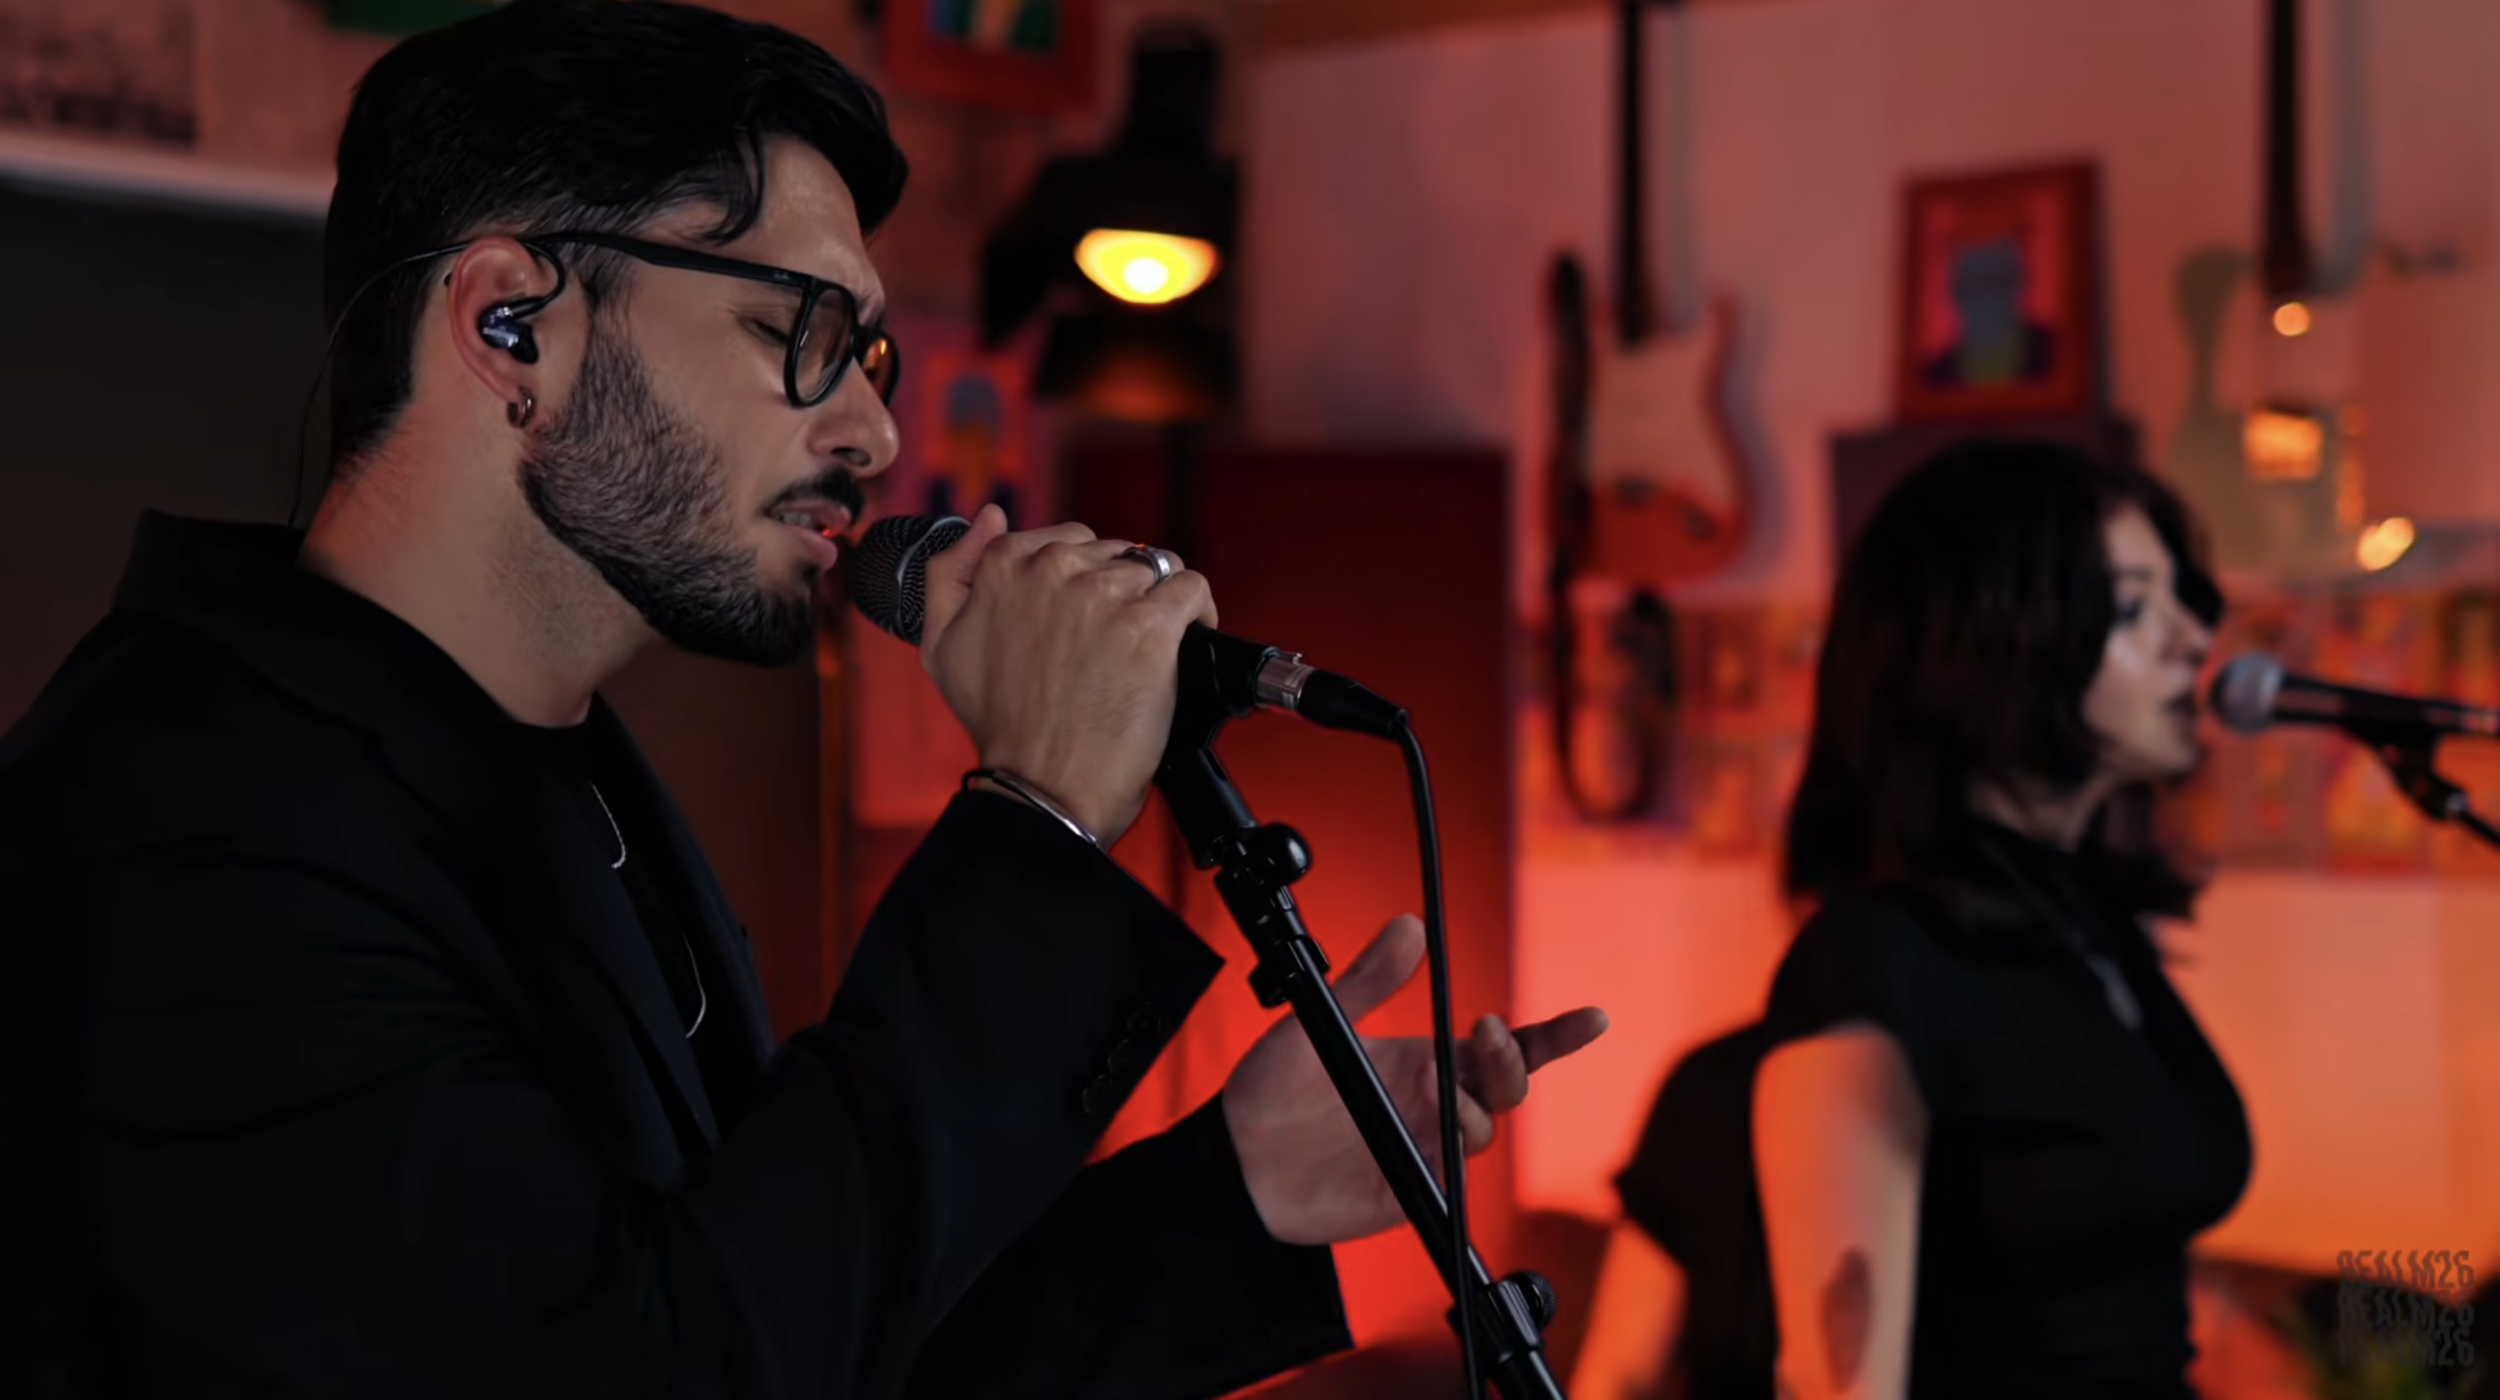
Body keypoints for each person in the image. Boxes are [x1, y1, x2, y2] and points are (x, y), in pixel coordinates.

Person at [0, 3, 1608, 1396]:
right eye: (799, 331)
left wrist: (1233, 1195)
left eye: (873, 358)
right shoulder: (193, 830)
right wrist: (1038, 821)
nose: (873, 433)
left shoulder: (561, 784)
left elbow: (798, 1334)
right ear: (511, 324)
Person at [1570, 440, 2250, 1399]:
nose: (2193, 640)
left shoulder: (2091, 931)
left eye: (2181, 602)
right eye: (2135, 609)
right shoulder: (1873, 960)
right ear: (1994, 650)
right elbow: (1837, 1385)